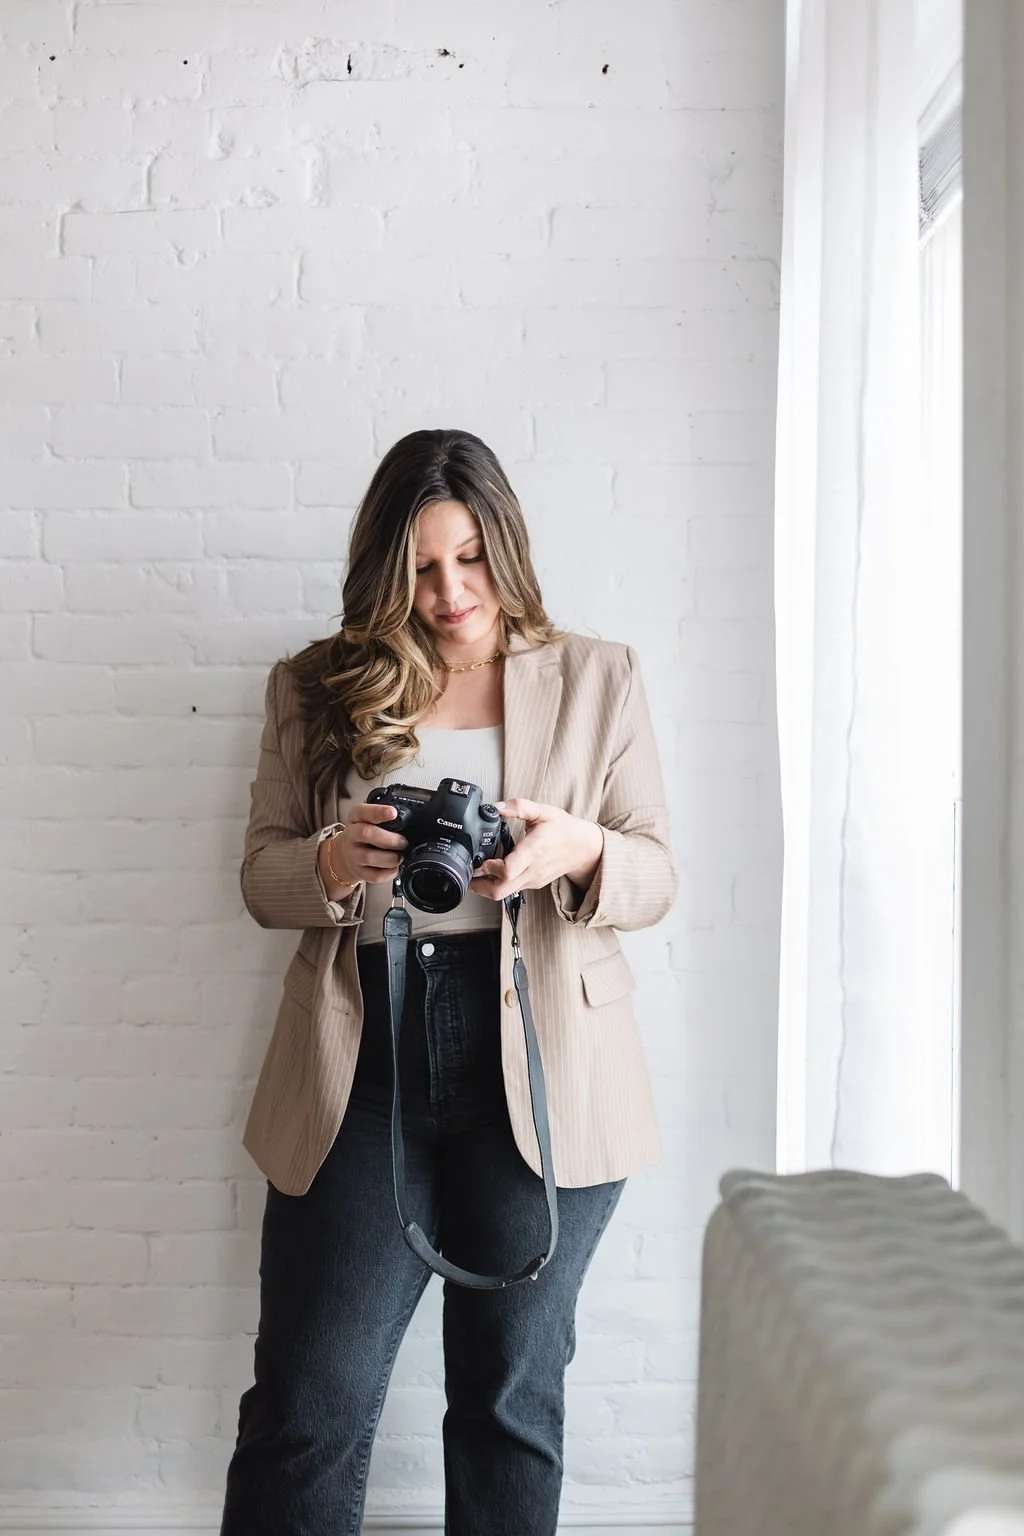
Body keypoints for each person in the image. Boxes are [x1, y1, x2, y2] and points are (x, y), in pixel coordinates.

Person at [219, 428, 677, 1536]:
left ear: (503, 547)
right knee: (307, 1399)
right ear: (386, 568)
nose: (449, 591)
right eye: (421, 567)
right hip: (363, 1067)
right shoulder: (314, 686)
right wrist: (332, 862)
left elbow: (656, 872)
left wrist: (580, 851)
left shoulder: (597, 676)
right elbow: (260, 876)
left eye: (469, 558)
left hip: (546, 1080)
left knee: (510, 1399)